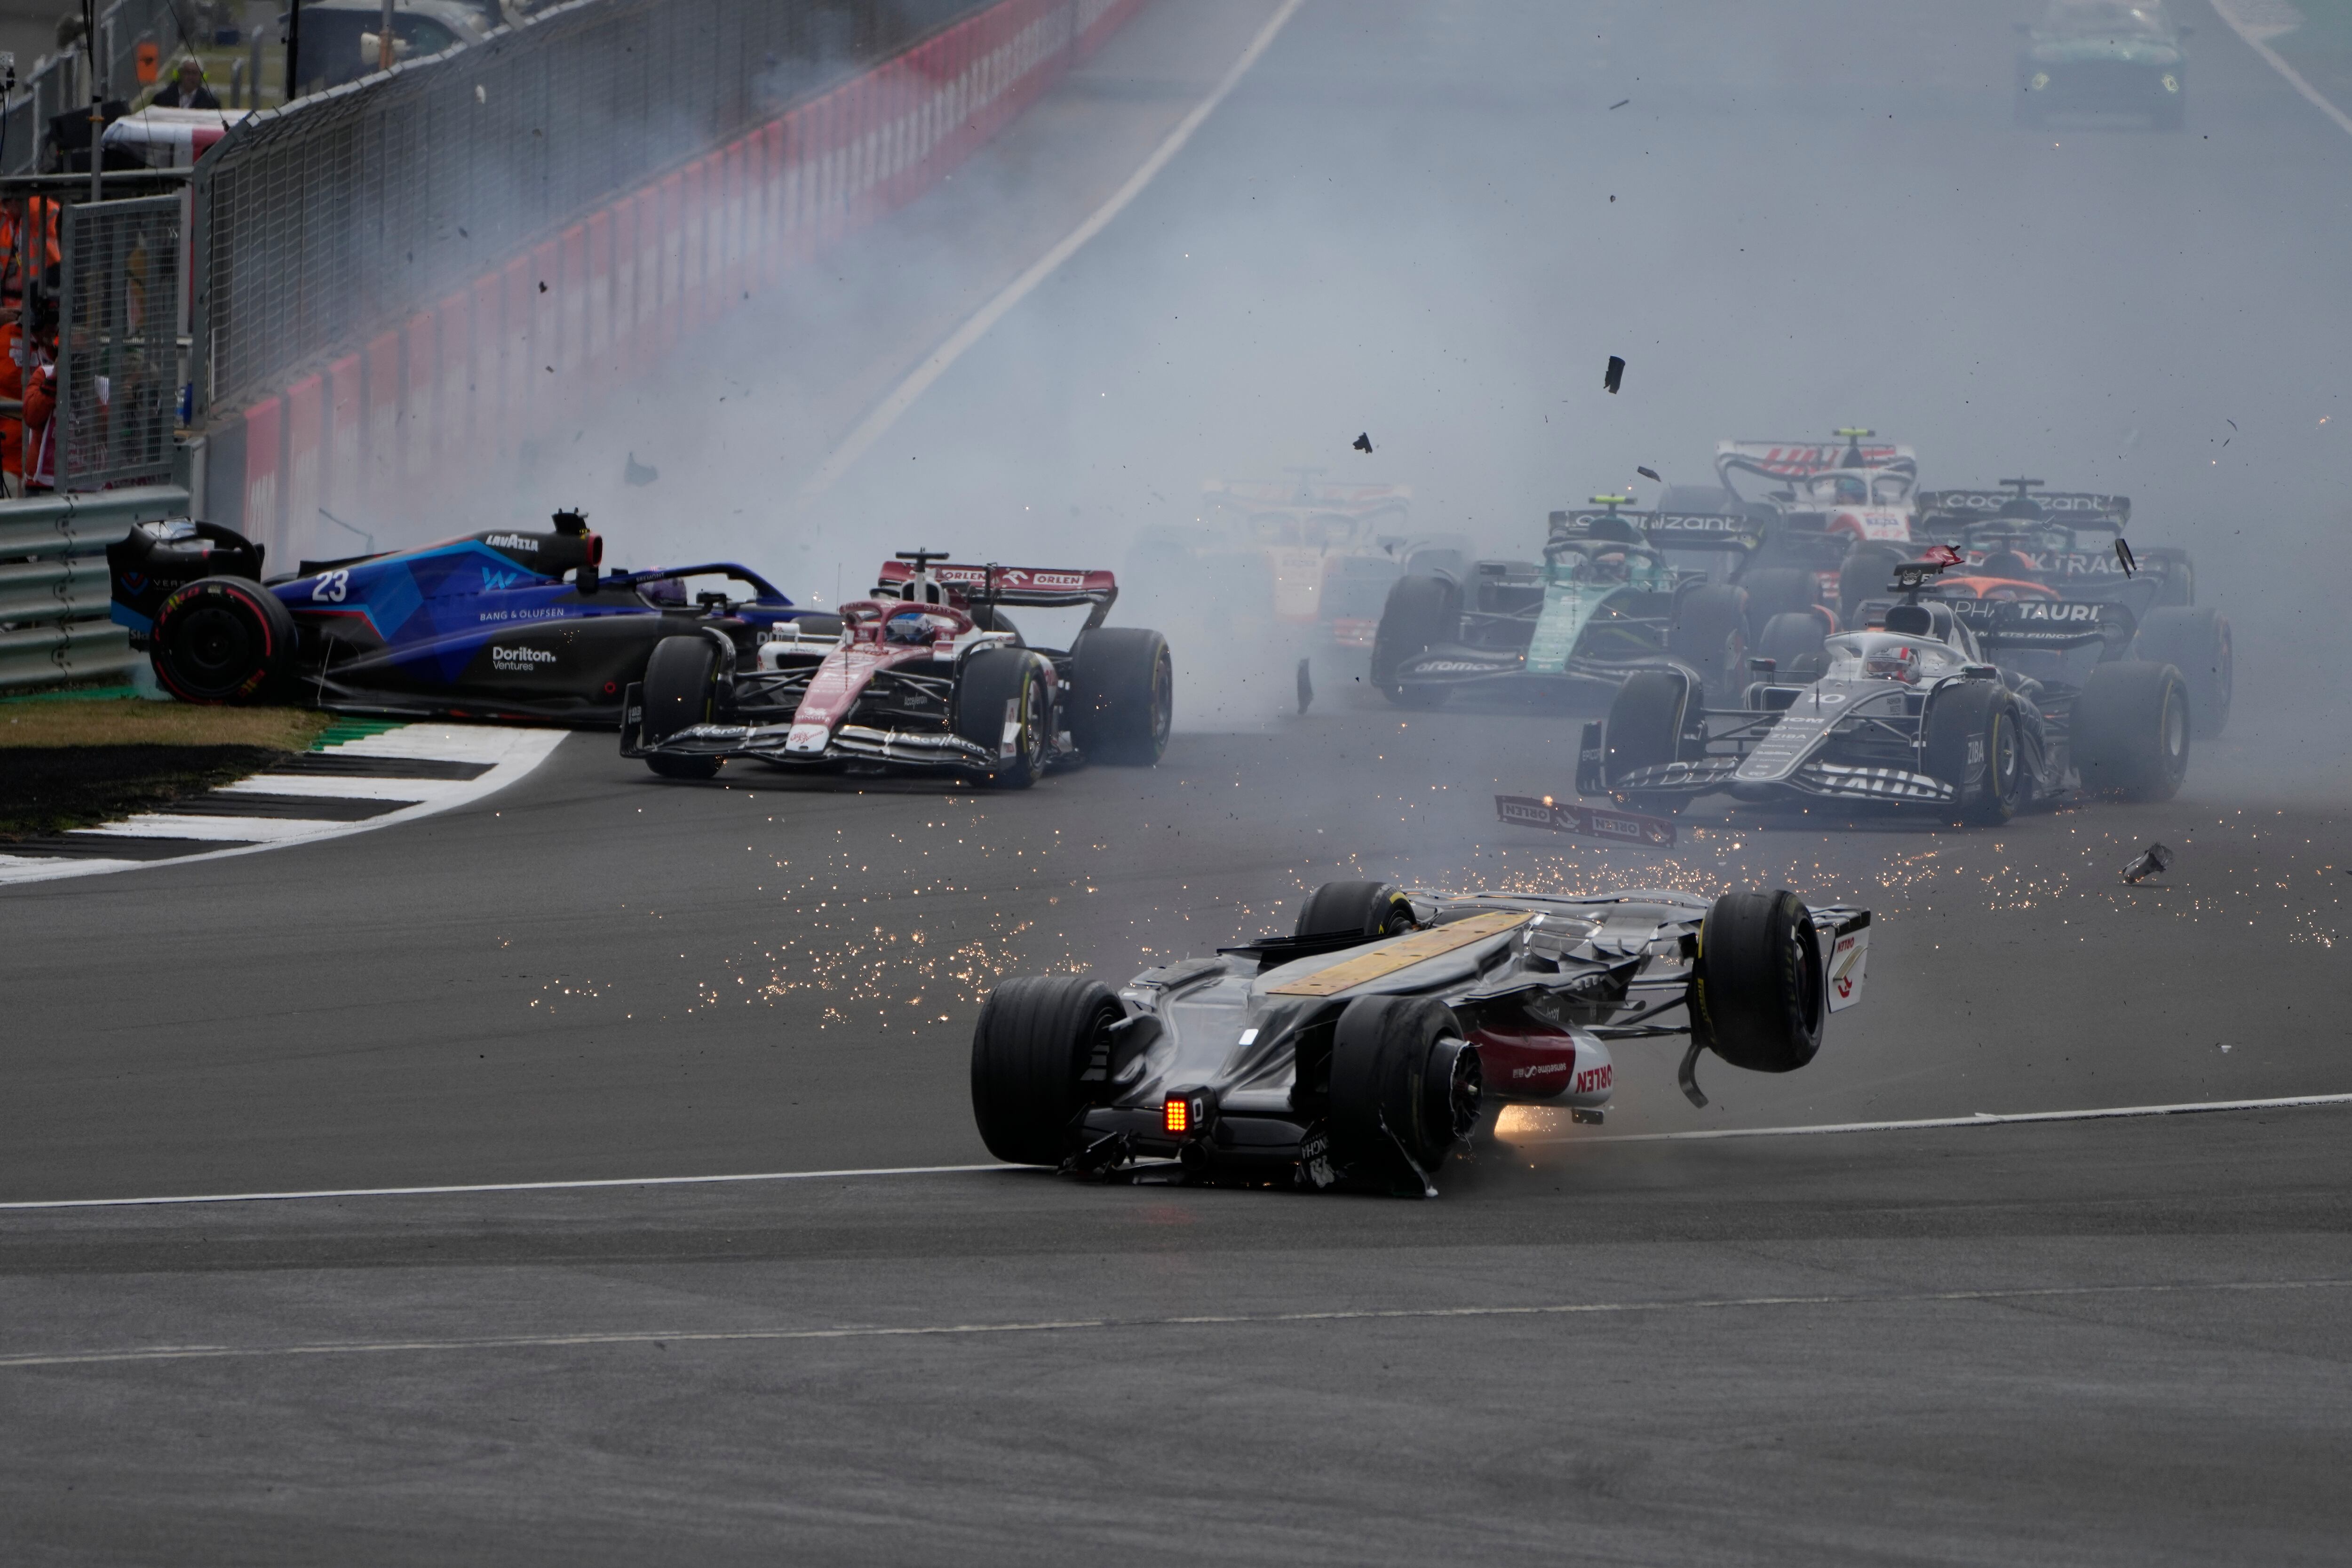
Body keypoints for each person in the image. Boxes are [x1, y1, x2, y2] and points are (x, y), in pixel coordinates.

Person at [151, 58, 221, 110]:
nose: (191, 77)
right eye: (187, 73)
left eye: (195, 73)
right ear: (179, 75)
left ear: (202, 76)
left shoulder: (211, 102)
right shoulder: (162, 98)